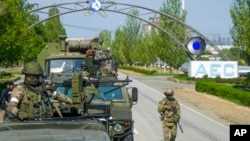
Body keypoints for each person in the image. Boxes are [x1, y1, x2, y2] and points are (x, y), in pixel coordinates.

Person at [7, 61, 72, 121]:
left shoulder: (43, 88)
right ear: (25, 76)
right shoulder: (20, 89)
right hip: (28, 124)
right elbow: (11, 106)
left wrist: (70, 101)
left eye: (34, 76)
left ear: (38, 76)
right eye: (29, 76)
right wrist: (19, 113)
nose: (31, 78)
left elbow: (57, 95)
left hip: (47, 122)